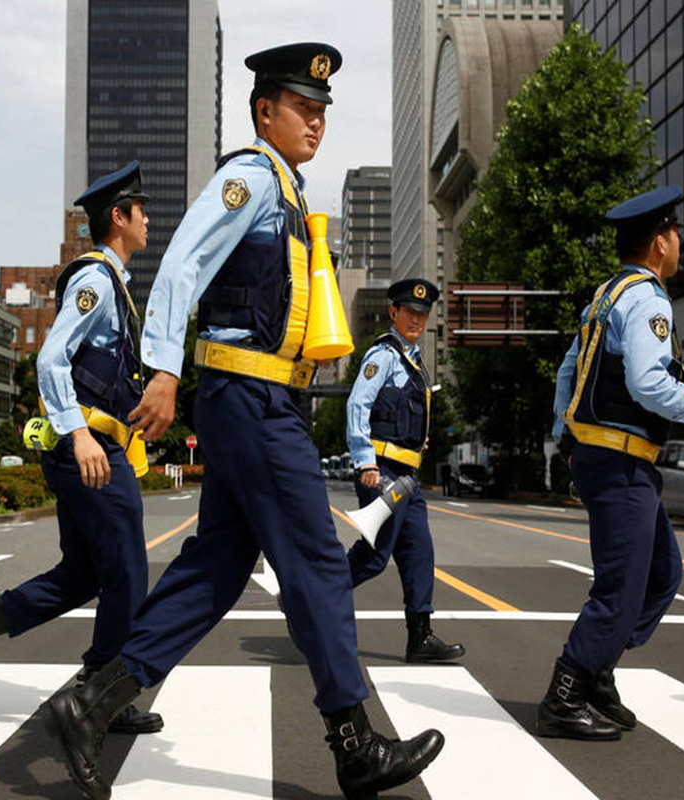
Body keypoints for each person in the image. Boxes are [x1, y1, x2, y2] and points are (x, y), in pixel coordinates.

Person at [43, 43, 444, 800]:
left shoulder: (287, 194)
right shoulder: (250, 177)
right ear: (267, 110)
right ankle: (353, 744)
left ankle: (88, 702)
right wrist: (164, 369)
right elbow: (183, 263)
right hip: (252, 404)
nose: (316, 122)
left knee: (217, 568)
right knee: (320, 564)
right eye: (303, 107)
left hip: (260, 402)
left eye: (323, 111)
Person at [0, 162, 161, 735]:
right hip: (85, 448)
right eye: (141, 208)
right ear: (119, 217)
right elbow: (51, 357)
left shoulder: (114, 284)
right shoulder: (94, 280)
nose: (148, 217)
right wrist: (81, 432)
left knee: (84, 574)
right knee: (129, 574)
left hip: (91, 445)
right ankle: (97, 694)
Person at [538, 185, 684, 741]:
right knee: (621, 586)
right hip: (621, 461)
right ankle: (565, 693)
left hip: (614, 459)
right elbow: (647, 383)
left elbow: (566, 374)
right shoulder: (647, 299)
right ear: (657, 244)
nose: (678, 242)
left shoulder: (604, 296)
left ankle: (597, 669)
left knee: (663, 573)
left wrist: (564, 435)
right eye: (674, 234)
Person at [345, 278, 464, 664]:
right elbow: (357, 407)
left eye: (422, 314)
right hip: (382, 472)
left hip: (406, 475)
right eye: (409, 312)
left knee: (419, 552)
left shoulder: (412, 358)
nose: (416, 319)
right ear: (393, 312)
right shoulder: (384, 355)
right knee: (376, 556)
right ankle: (307, 601)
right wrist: (365, 461)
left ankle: (420, 637)